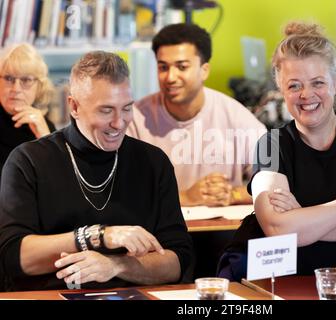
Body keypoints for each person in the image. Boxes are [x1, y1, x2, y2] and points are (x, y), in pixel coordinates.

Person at [218, 22, 336, 280]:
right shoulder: (271, 145)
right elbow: (277, 228)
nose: (306, 95)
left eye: (317, 82)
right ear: (281, 89)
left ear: (334, 81)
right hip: (295, 286)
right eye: (294, 86)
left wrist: (304, 223)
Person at [0, 51, 194, 291]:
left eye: (126, 108)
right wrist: (99, 236)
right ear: (74, 106)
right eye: (106, 110)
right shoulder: (28, 160)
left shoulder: (153, 163)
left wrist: (116, 265)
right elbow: (14, 257)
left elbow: (178, 261)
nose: (119, 122)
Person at [127, 23, 267, 207]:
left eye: (182, 67)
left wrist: (231, 195)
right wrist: (186, 197)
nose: (170, 77)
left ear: (204, 70)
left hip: (223, 231)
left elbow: (276, 183)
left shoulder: (236, 116)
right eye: (163, 67)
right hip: (159, 232)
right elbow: (120, 192)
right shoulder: (134, 119)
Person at [0, 43, 56, 178]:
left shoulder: (46, 127)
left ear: (39, 87)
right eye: (9, 78)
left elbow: (57, 183)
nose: (16, 89)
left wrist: (44, 138)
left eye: (26, 80)